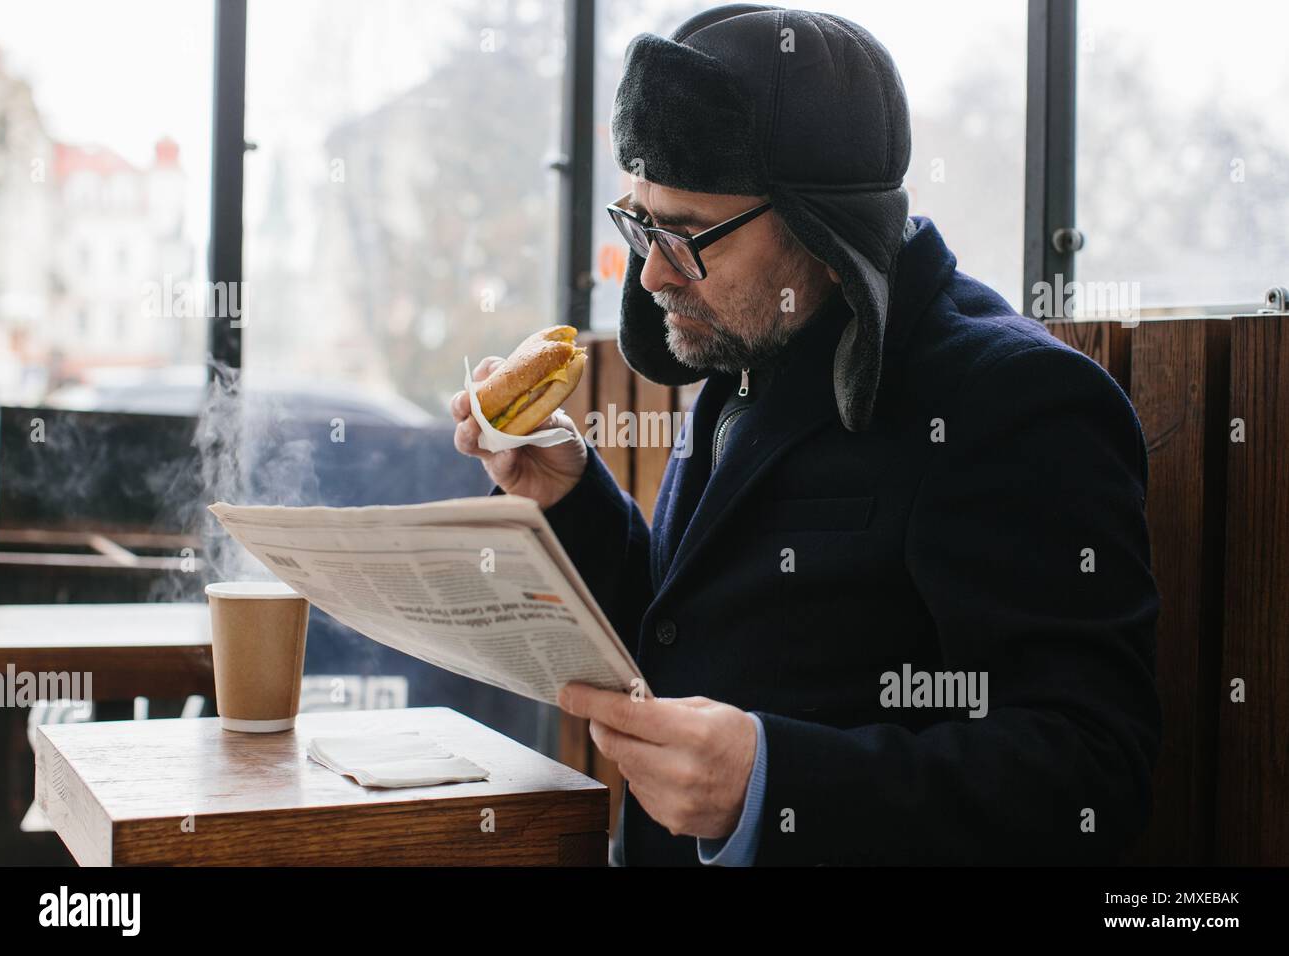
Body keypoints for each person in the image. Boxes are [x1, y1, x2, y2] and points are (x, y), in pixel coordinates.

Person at [451, 4, 1161, 866]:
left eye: (685, 235)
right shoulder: (753, 346)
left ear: (825, 229)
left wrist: (776, 787)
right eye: (640, 221)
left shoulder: (1014, 400)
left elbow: (1094, 774)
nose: (650, 272)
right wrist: (569, 499)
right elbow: (688, 643)